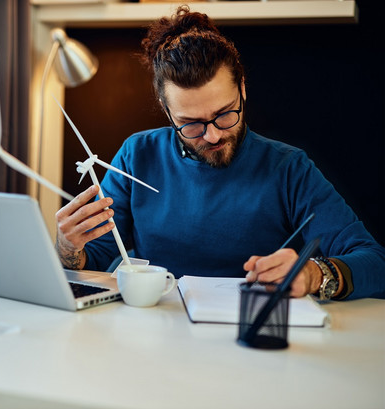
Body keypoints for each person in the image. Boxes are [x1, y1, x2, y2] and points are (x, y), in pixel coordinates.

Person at [54, 5, 385, 300]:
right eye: (191, 124)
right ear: (166, 110)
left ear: (242, 89)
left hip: (253, 337)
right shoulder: (137, 155)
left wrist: (314, 274)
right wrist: (68, 247)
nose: (212, 135)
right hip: (158, 336)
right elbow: (95, 258)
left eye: (225, 114)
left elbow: (374, 261)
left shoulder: (287, 169)